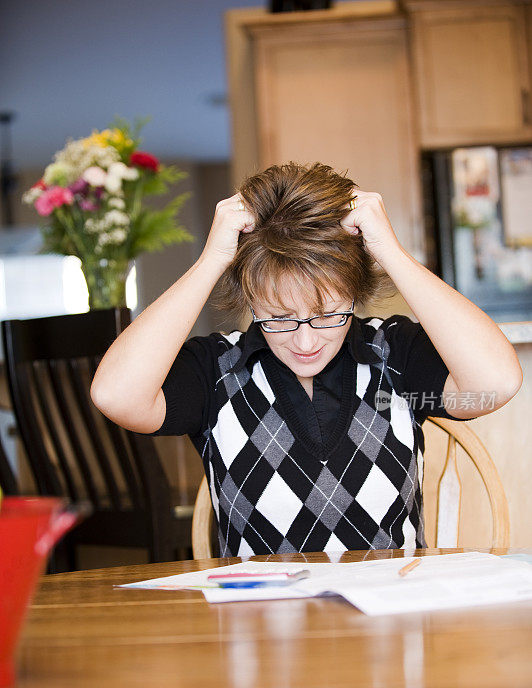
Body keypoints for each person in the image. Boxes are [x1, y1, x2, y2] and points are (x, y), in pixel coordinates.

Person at [91, 162, 522, 556]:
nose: (305, 341)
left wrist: (390, 251)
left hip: (390, 624)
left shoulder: (396, 358)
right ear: (251, 302)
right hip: (258, 627)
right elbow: (115, 395)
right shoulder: (218, 371)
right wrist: (214, 259)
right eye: (279, 318)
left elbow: (497, 383)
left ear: (354, 295)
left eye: (327, 314)